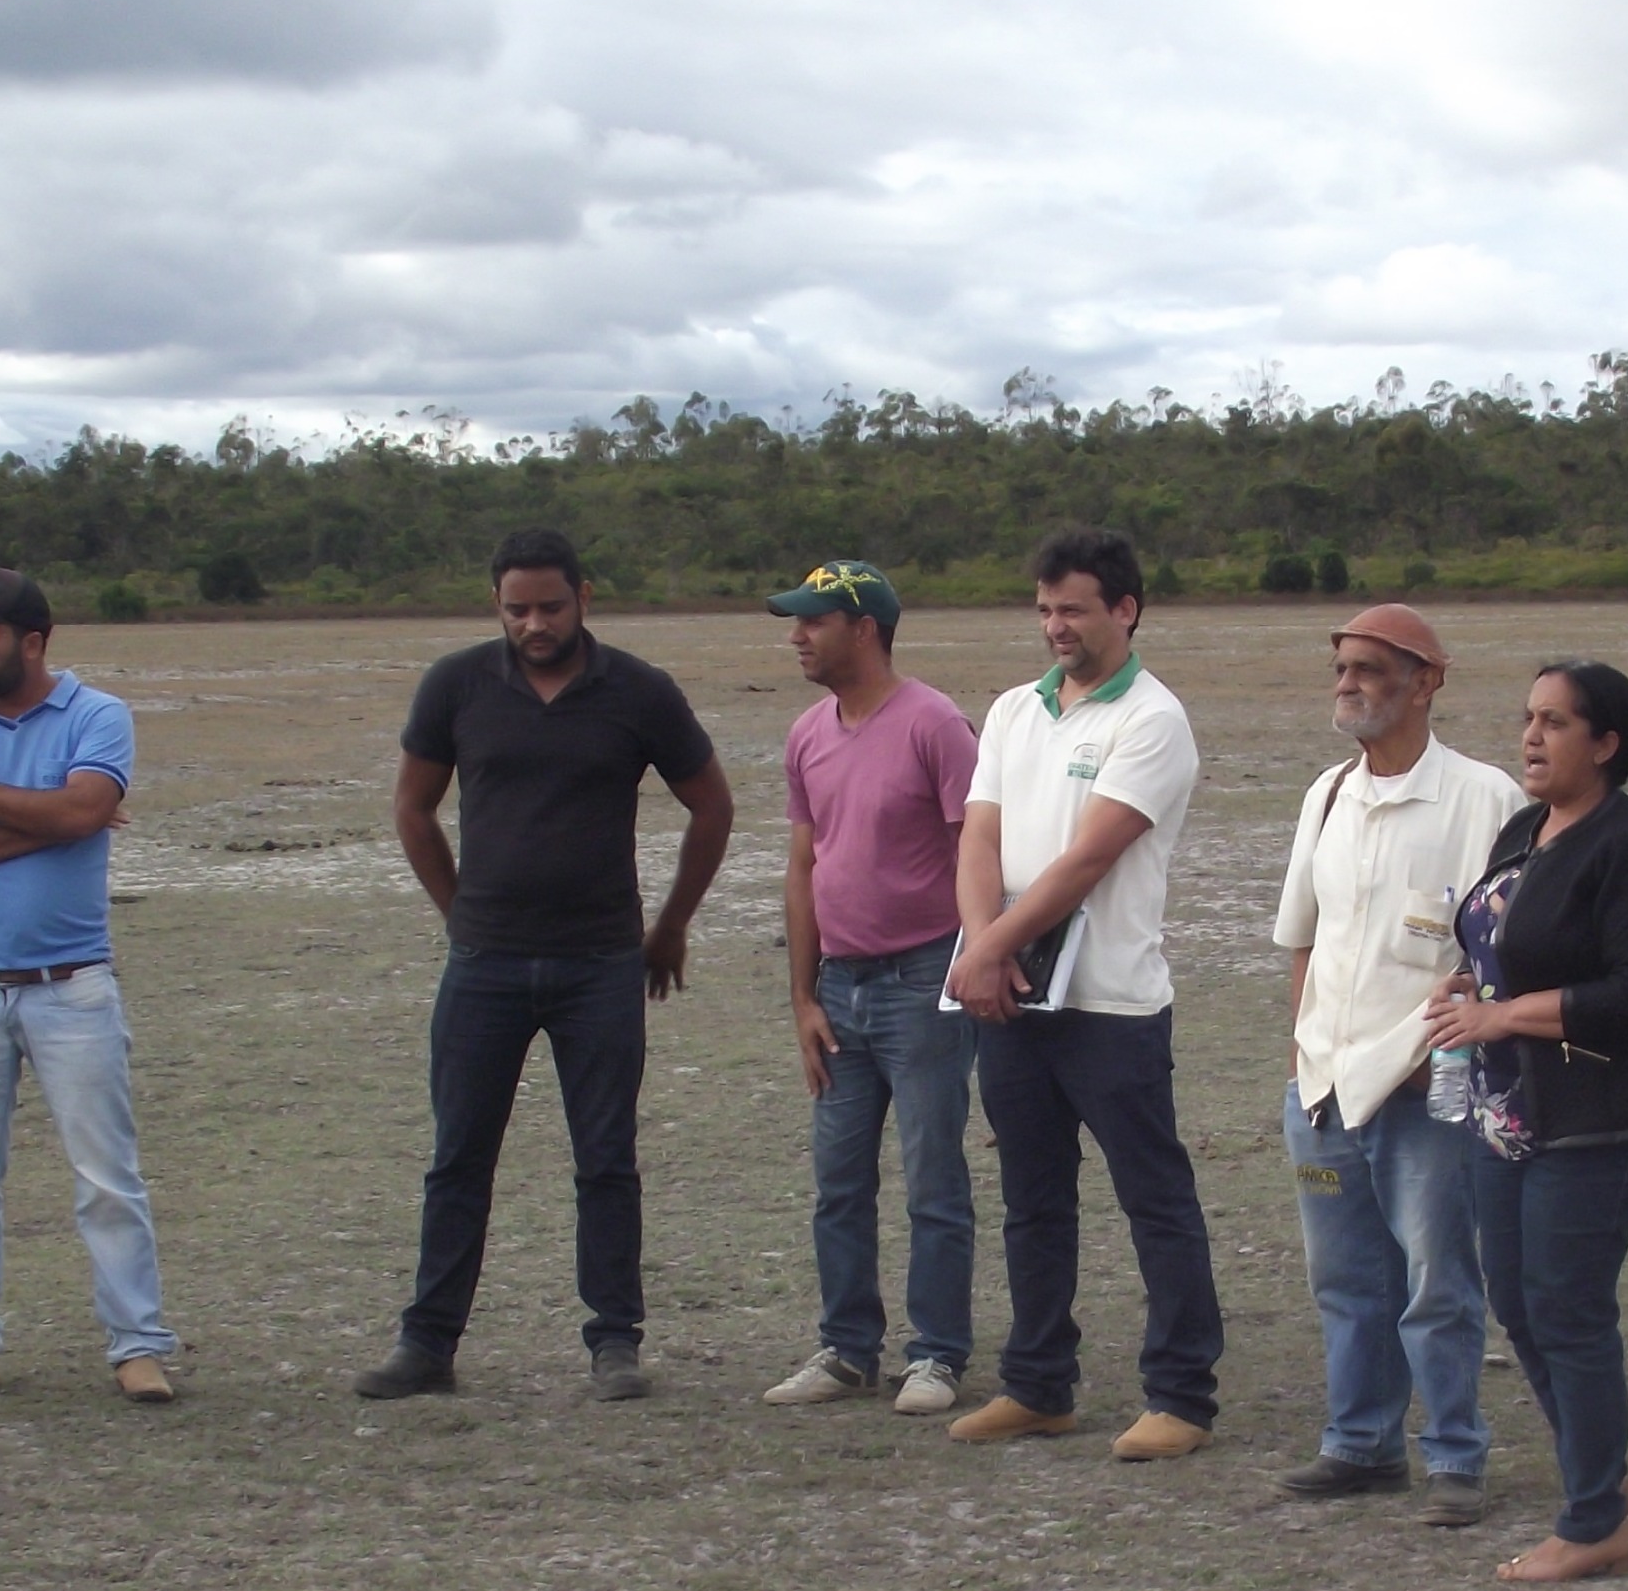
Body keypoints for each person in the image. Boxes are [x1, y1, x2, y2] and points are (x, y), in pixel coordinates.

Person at [360, 529, 735, 1402]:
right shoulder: (456, 685)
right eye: (517, 609)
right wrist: (460, 914)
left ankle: (615, 1343)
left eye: (551, 607)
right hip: (484, 966)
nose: (534, 624)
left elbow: (712, 806)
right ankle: (428, 1342)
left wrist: (672, 925)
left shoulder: (638, 691)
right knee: (459, 1157)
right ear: (496, 605)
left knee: (605, 1158)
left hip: (600, 964)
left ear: (584, 598)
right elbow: (413, 808)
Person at [944, 526, 1222, 1460]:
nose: (1056, 626)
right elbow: (979, 837)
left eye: (1074, 609)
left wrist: (989, 949)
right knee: (1032, 1198)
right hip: (1014, 999)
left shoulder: (1153, 719)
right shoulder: (1013, 711)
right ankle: (1038, 1384)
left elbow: (1089, 858)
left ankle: (1181, 1395)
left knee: (1154, 1198)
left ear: (1125, 610)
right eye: (1044, 609)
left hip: (1111, 1007)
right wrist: (985, 949)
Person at [1427, 660, 1628, 1583]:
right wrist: (1470, 985)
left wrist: (1501, 1015)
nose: (1532, 737)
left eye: (1555, 722)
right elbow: (1504, 937)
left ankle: (1593, 1524)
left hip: (1599, 1120)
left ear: (1606, 743)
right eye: (1528, 718)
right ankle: (1603, 1481)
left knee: (1567, 1309)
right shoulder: (1526, 828)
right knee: (1517, 1301)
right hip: (1507, 1111)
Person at [0, 568, 182, 1405]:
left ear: (32, 642)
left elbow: (83, 810)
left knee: (107, 1178)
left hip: (72, 986)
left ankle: (137, 1345)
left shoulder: (98, 715)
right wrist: (54, 821)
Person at [1269, 603, 1519, 1524]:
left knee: (1437, 1283)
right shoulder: (1328, 795)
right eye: (1342, 667)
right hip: (1326, 1089)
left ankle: (1455, 1457)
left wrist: (1441, 1053)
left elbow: (1506, 947)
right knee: (1345, 1280)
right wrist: (1304, 1062)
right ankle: (1360, 1444)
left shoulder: (1485, 799)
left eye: (1371, 668)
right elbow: (1303, 937)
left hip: (1425, 1091)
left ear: (1427, 682)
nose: (1349, 685)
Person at [762, 557, 982, 1417]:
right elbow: (803, 867)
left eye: (812, 621)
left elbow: (978, 853)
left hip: (923, 980)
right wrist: (803, 999)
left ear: (864, 629)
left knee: (933, 1177)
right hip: (841, 988)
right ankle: (847, 1347)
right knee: (839, 1181)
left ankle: (936, 1353)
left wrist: (975, 960)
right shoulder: (807, 734)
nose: (797, 637)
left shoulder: (935, 725)